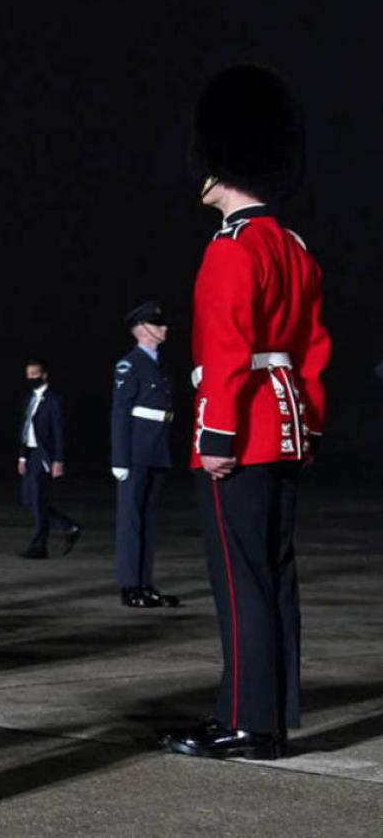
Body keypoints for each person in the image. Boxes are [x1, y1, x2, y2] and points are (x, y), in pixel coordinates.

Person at [161, 64, 328, 762]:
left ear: (221, 169)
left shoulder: (232, 248)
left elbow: (227, 350)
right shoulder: (293, 247)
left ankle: (245, 722)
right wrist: (307, 427)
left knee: (241, 582)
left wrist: (217, 435)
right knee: (275, 576)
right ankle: (274, 712)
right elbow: (312, 350)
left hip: (244, 430)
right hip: (284, 426)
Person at [111, 301, 180, 609]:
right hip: (135, 452)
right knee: (131, 521)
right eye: (157, 323)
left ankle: (145, 583)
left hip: (156, 448)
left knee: (148, 521)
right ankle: (130, 585)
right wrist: (119, 459)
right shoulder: (129, 364)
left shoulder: (159, 364)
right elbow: (120, 413)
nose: (164, 328)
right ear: (141, 329)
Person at [17, 357, 79, 559]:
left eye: (34, 374)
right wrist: (22, 456)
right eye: (28, 375)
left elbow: (59, 431)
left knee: (37, 500)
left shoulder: (53, 400)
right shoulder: (29, 398)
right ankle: (68, 526)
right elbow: (25, 428)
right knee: (29, 500)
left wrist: (58, 459)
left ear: (44, 375)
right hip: (30, 454)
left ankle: (39, 546)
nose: (31, 378)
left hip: (43, 455)